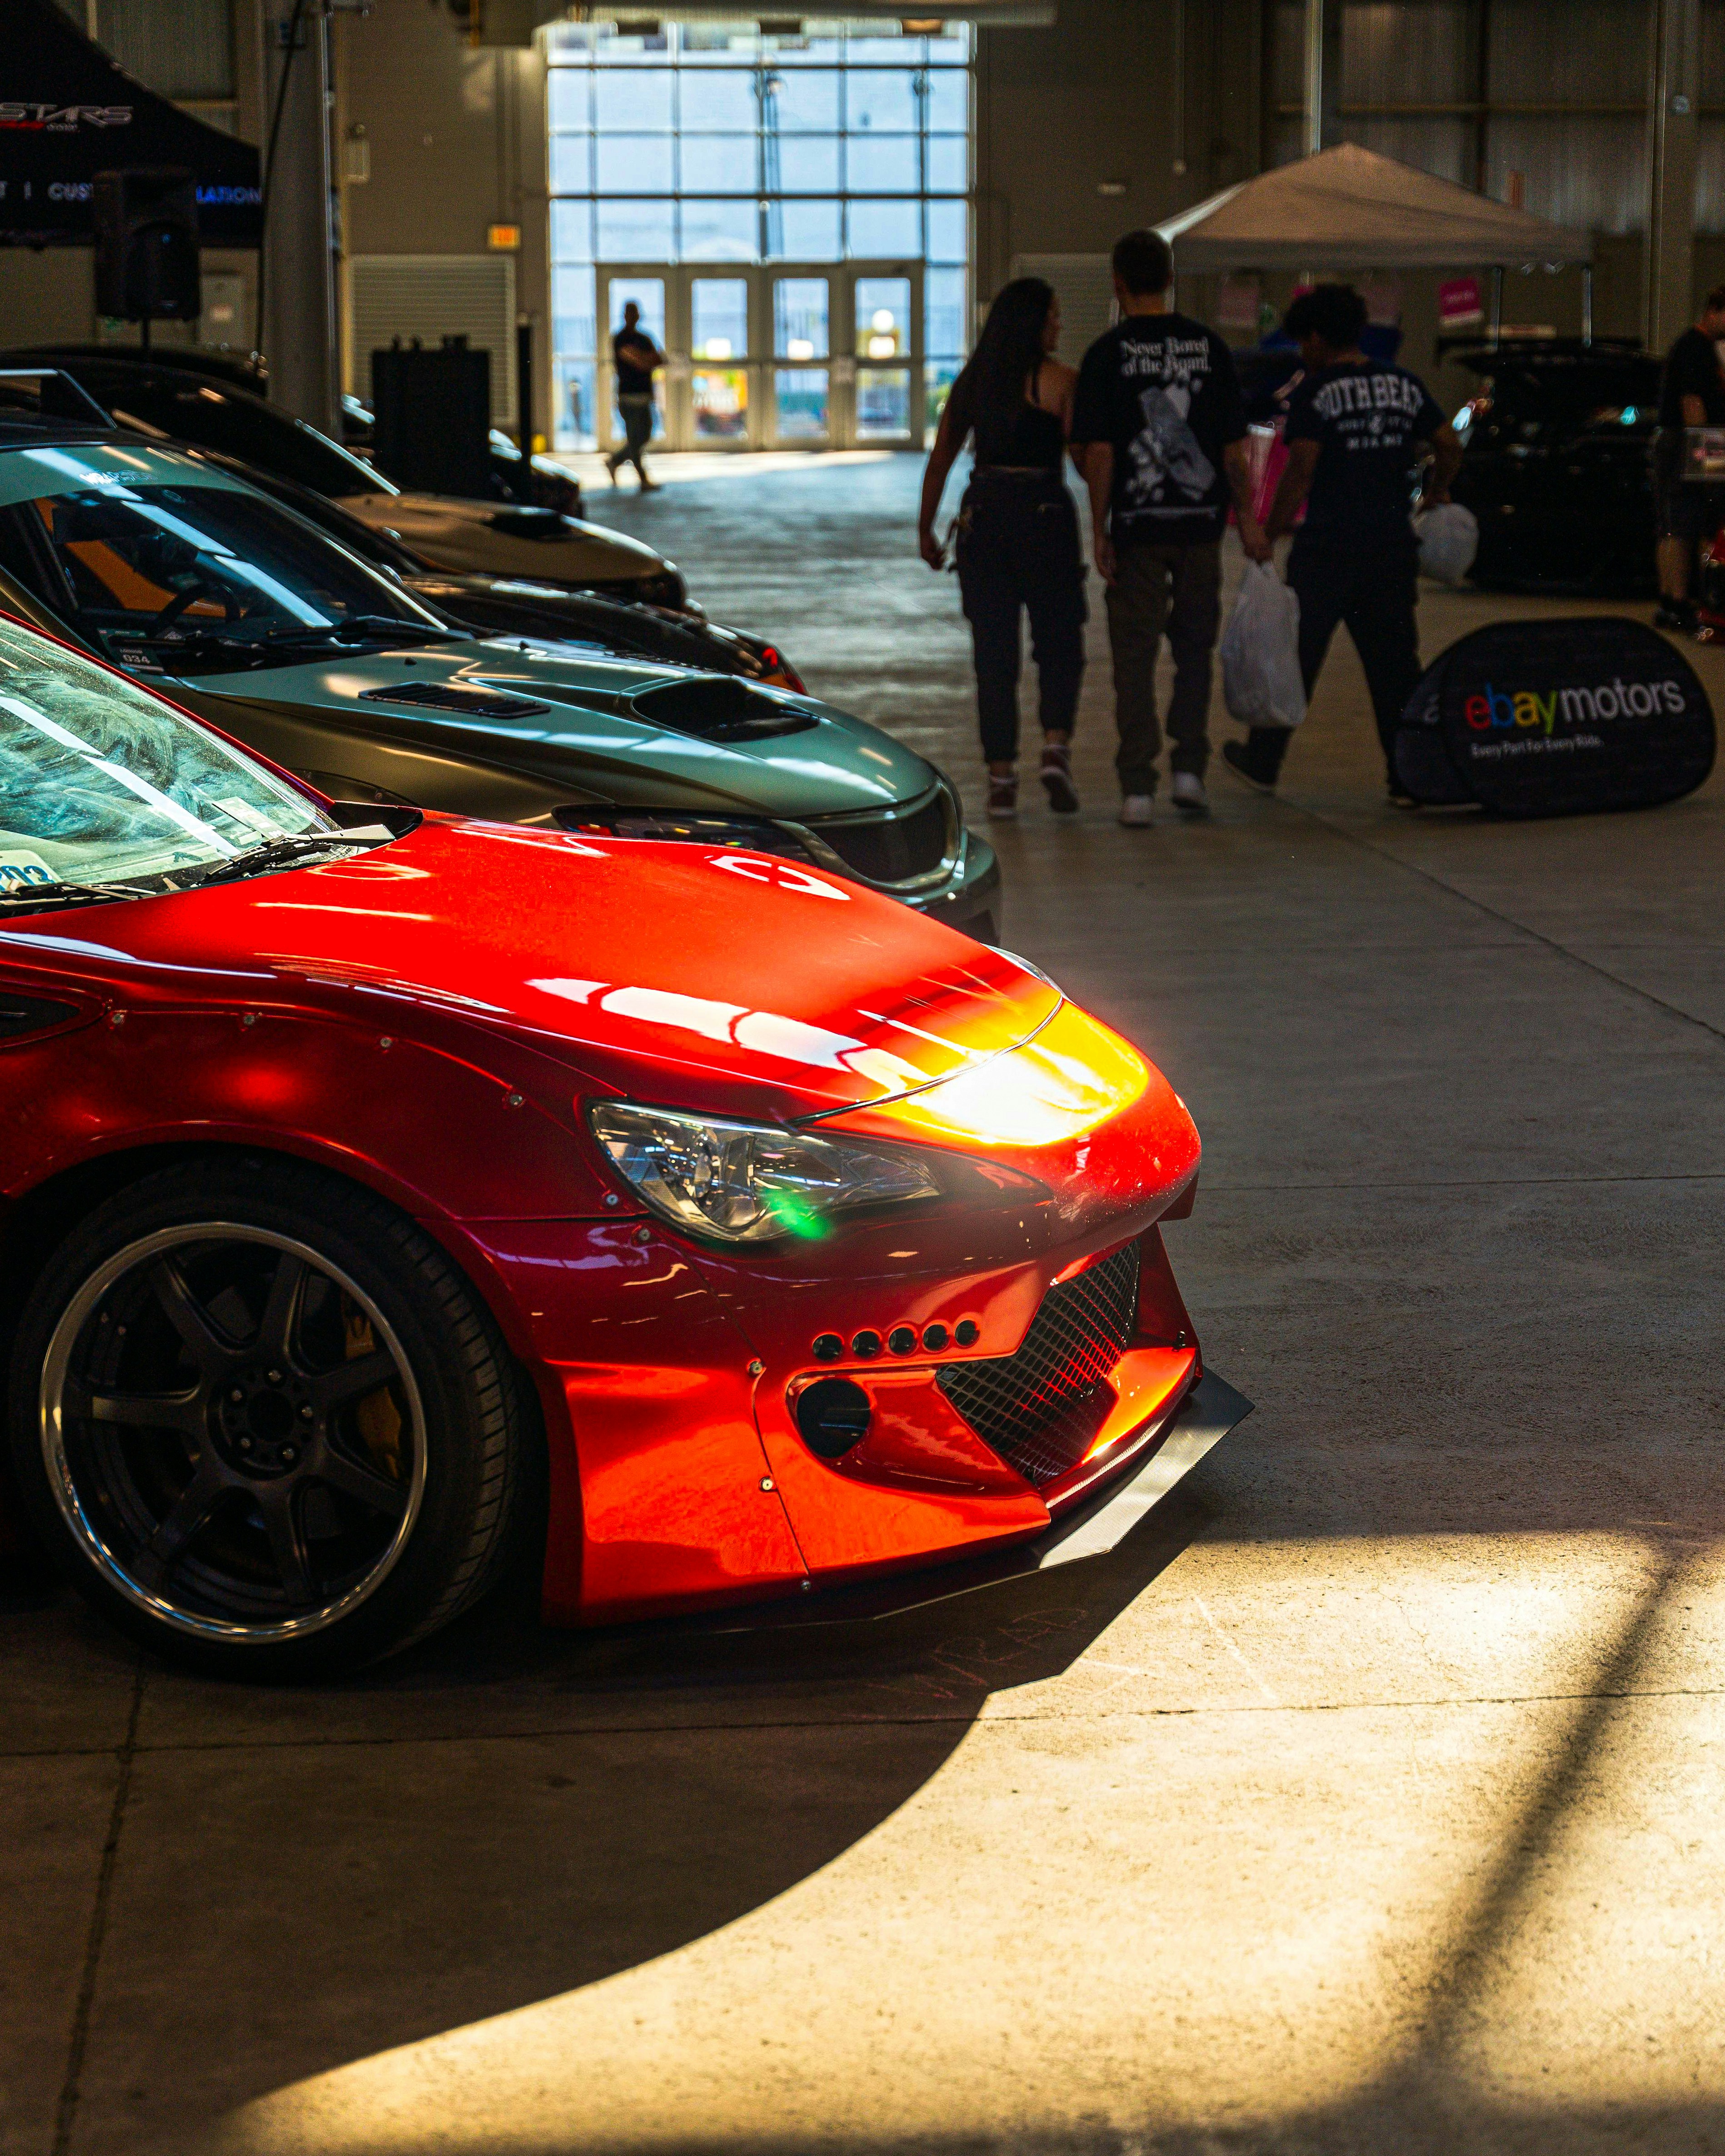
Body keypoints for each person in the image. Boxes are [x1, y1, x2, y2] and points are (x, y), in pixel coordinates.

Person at [1222, 283, 1461, 806]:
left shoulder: (1317, 390)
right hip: (1390, 548)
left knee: (1298, 656)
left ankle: (1263, 762)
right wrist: (1437, 489)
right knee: (1395, 667)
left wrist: (1269, 528)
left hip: (1328, 549)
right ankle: (1409, 779)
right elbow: (1447, 440)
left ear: (1314, 336)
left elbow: (1302, 467)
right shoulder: (1404, 383)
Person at [1072, 229, 1270, 828]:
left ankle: (1138, 788)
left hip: (1137, 527)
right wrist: (1249, 520)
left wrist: (1101, 528)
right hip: (1200, 527)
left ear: (1118, 282)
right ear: (1169, 280)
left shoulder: (1107, 354)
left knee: (1134, 657)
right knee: (1192, 650)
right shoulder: (1208, 348)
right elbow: (1235, 452)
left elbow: (1100, 454)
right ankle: (1190, 773)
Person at [918, 276, 1087, 820]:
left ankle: (1000, 778)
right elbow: (1084, 459)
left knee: (994, 655)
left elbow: (941, 459)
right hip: (1045, 516)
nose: (1059, 326)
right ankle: (1055, 748)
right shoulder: (1061, 381)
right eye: (1053, 317)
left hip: (986, 518)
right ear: (1032, 324)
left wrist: (925, 528)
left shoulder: (974, 383)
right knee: (1058, 639)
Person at [1652, 287, 1725, 632]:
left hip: (1680, 442)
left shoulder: (1695, 346)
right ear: (1715, 310)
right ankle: (1680, 603)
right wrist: (1708, 459)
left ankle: (1671, 602)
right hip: (1690, 442)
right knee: (1685, 523)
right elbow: (1693, 405)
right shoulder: (1696, 347)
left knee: (1672, 524)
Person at [608, 302, 663, 491]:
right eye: (631, 313)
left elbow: (658, 360)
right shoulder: (620, 339)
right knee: (634, 438)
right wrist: (645, 359)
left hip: (645, 395)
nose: (633, 317)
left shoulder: (645, 338)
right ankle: (643, 479)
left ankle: (615, 460)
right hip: (628, 397)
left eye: (636, 314)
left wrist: (644, 359)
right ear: (625, 316)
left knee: (645, 435)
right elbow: (640, 362)